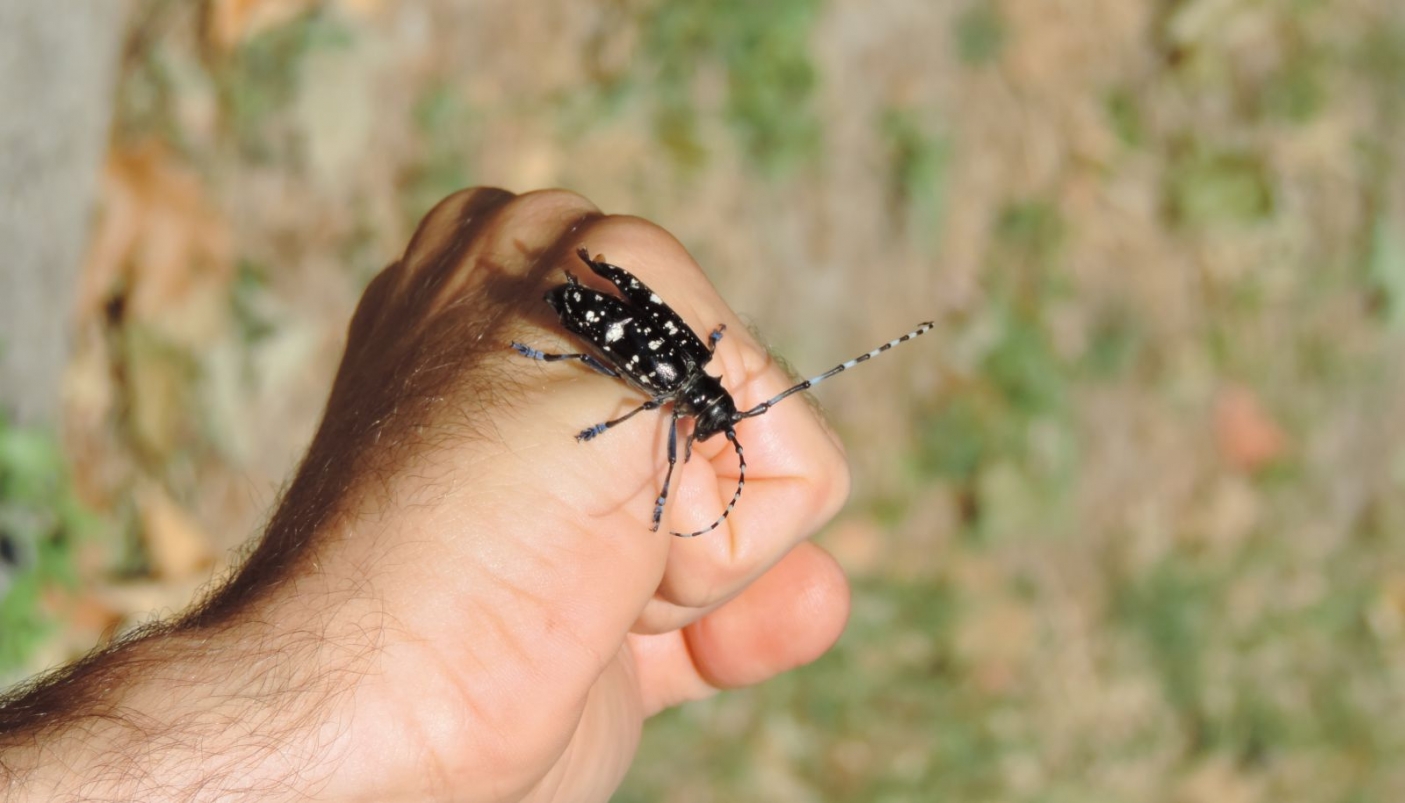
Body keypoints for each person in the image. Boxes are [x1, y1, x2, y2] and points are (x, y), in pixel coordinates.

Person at [0, 188, 853, 801]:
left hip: (597, 328)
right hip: (581, 322)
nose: (711, 429)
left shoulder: (687, 378)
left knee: (627, 377)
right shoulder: (676, 393)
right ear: (706, 406)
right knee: (618, 375)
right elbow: (636, 336)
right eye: (714, 422)